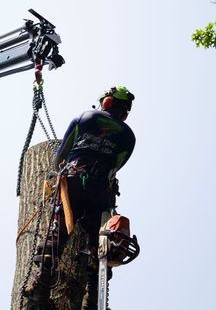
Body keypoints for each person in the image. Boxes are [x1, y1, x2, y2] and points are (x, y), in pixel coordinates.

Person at [55, 85, 136, 309]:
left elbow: (60, 156)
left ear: (106, 102)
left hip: (72, 183)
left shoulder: (84, 117)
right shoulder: (129, 137)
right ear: (125, 113)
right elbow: (117, 165)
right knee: (98, 248)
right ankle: (92, 298)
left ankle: (40, 284)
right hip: (101, 194)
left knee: (57, 236)